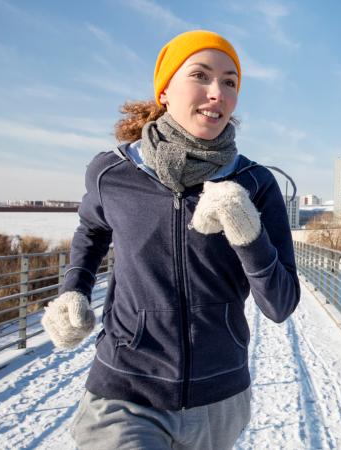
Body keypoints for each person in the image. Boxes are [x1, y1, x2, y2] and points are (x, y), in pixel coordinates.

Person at [41, 30, 300, 449]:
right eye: (201, 75)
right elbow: (91, 230)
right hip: (124, 392)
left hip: (219, 399)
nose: (217, 92)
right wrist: (73, 291)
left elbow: (281, 304)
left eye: (230, 81)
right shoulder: (113, 172)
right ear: (165, 89)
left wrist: (247, 231)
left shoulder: (255, 183)